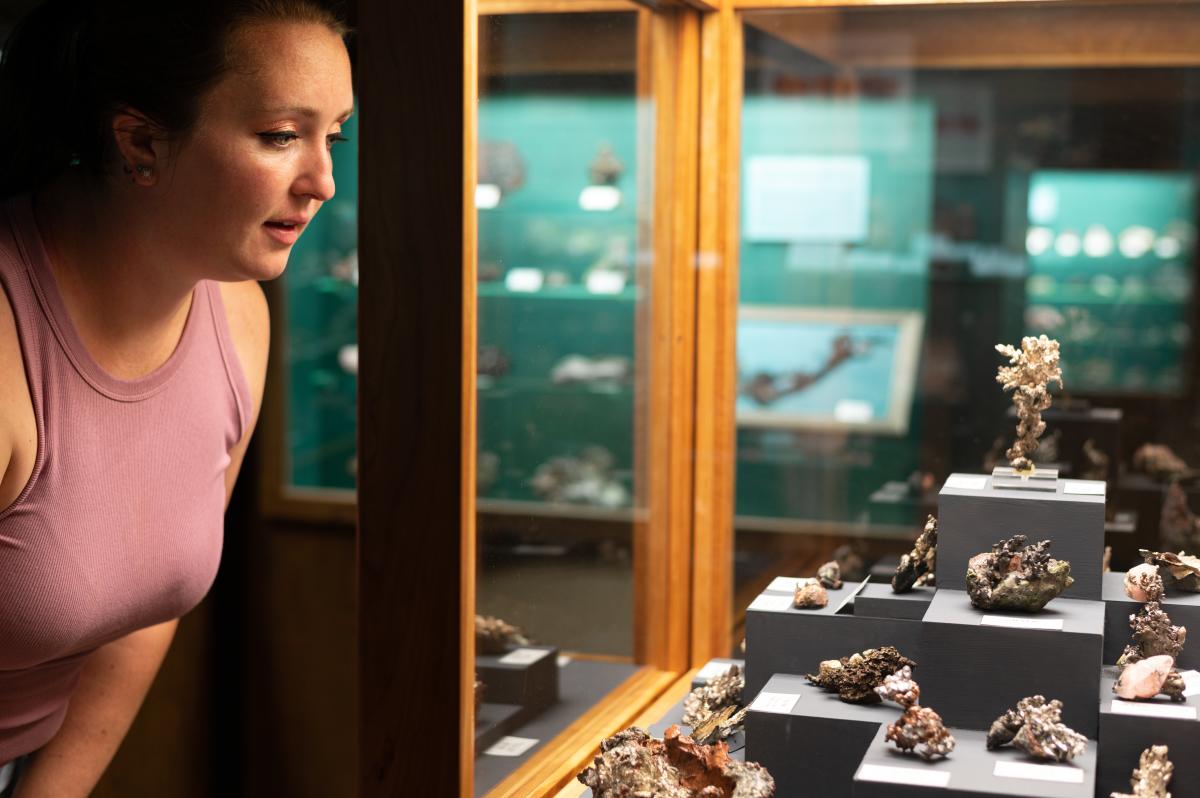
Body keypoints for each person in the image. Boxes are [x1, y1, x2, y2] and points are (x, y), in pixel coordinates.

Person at [0, 2, 354, 795]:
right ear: (141, 141)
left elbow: (149, 598)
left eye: (335, 136)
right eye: (280, 136)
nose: (324, 182)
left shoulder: (236, 317)